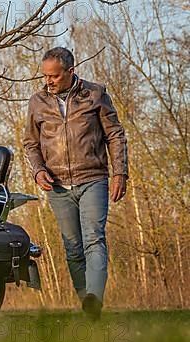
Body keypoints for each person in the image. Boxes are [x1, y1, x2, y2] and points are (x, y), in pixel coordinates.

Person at [23, 47, 128, 321]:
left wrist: (120, 173)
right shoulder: (37, 102)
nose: (49, 81)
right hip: (57, 186)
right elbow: (31, 144)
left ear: (70, 71)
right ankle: (87, 303)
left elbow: (115, 135)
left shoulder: (95, 94)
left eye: (54, 76)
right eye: (45, 76)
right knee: (72, 247)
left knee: (94, 238)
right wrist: (38, 171)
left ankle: (95, 296)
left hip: (92, 178)